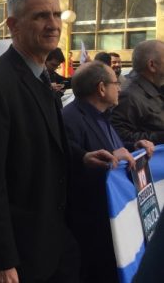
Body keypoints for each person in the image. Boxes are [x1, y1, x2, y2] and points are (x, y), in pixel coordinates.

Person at [0, 0, 100, 282]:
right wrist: (0, 260)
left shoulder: (39, 76)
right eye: (40, 16)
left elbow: (42, 140)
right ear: (13, 25)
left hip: (49, 233)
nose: (53, 24)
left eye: (57, 14)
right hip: (17, 246)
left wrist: (84, 156)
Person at [62, 61, 152, 282]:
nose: (120, 88)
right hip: (89, 227)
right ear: (101, 88)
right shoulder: (71, 119)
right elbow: (68, 169)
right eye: (116, 83)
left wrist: (135, 146)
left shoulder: (101, 115)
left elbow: (113, 148)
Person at [111, 40, 164, 145]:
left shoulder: (158, 87)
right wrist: (159, 137)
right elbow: (120, 137)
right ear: (152, 65)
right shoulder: (128, 95)